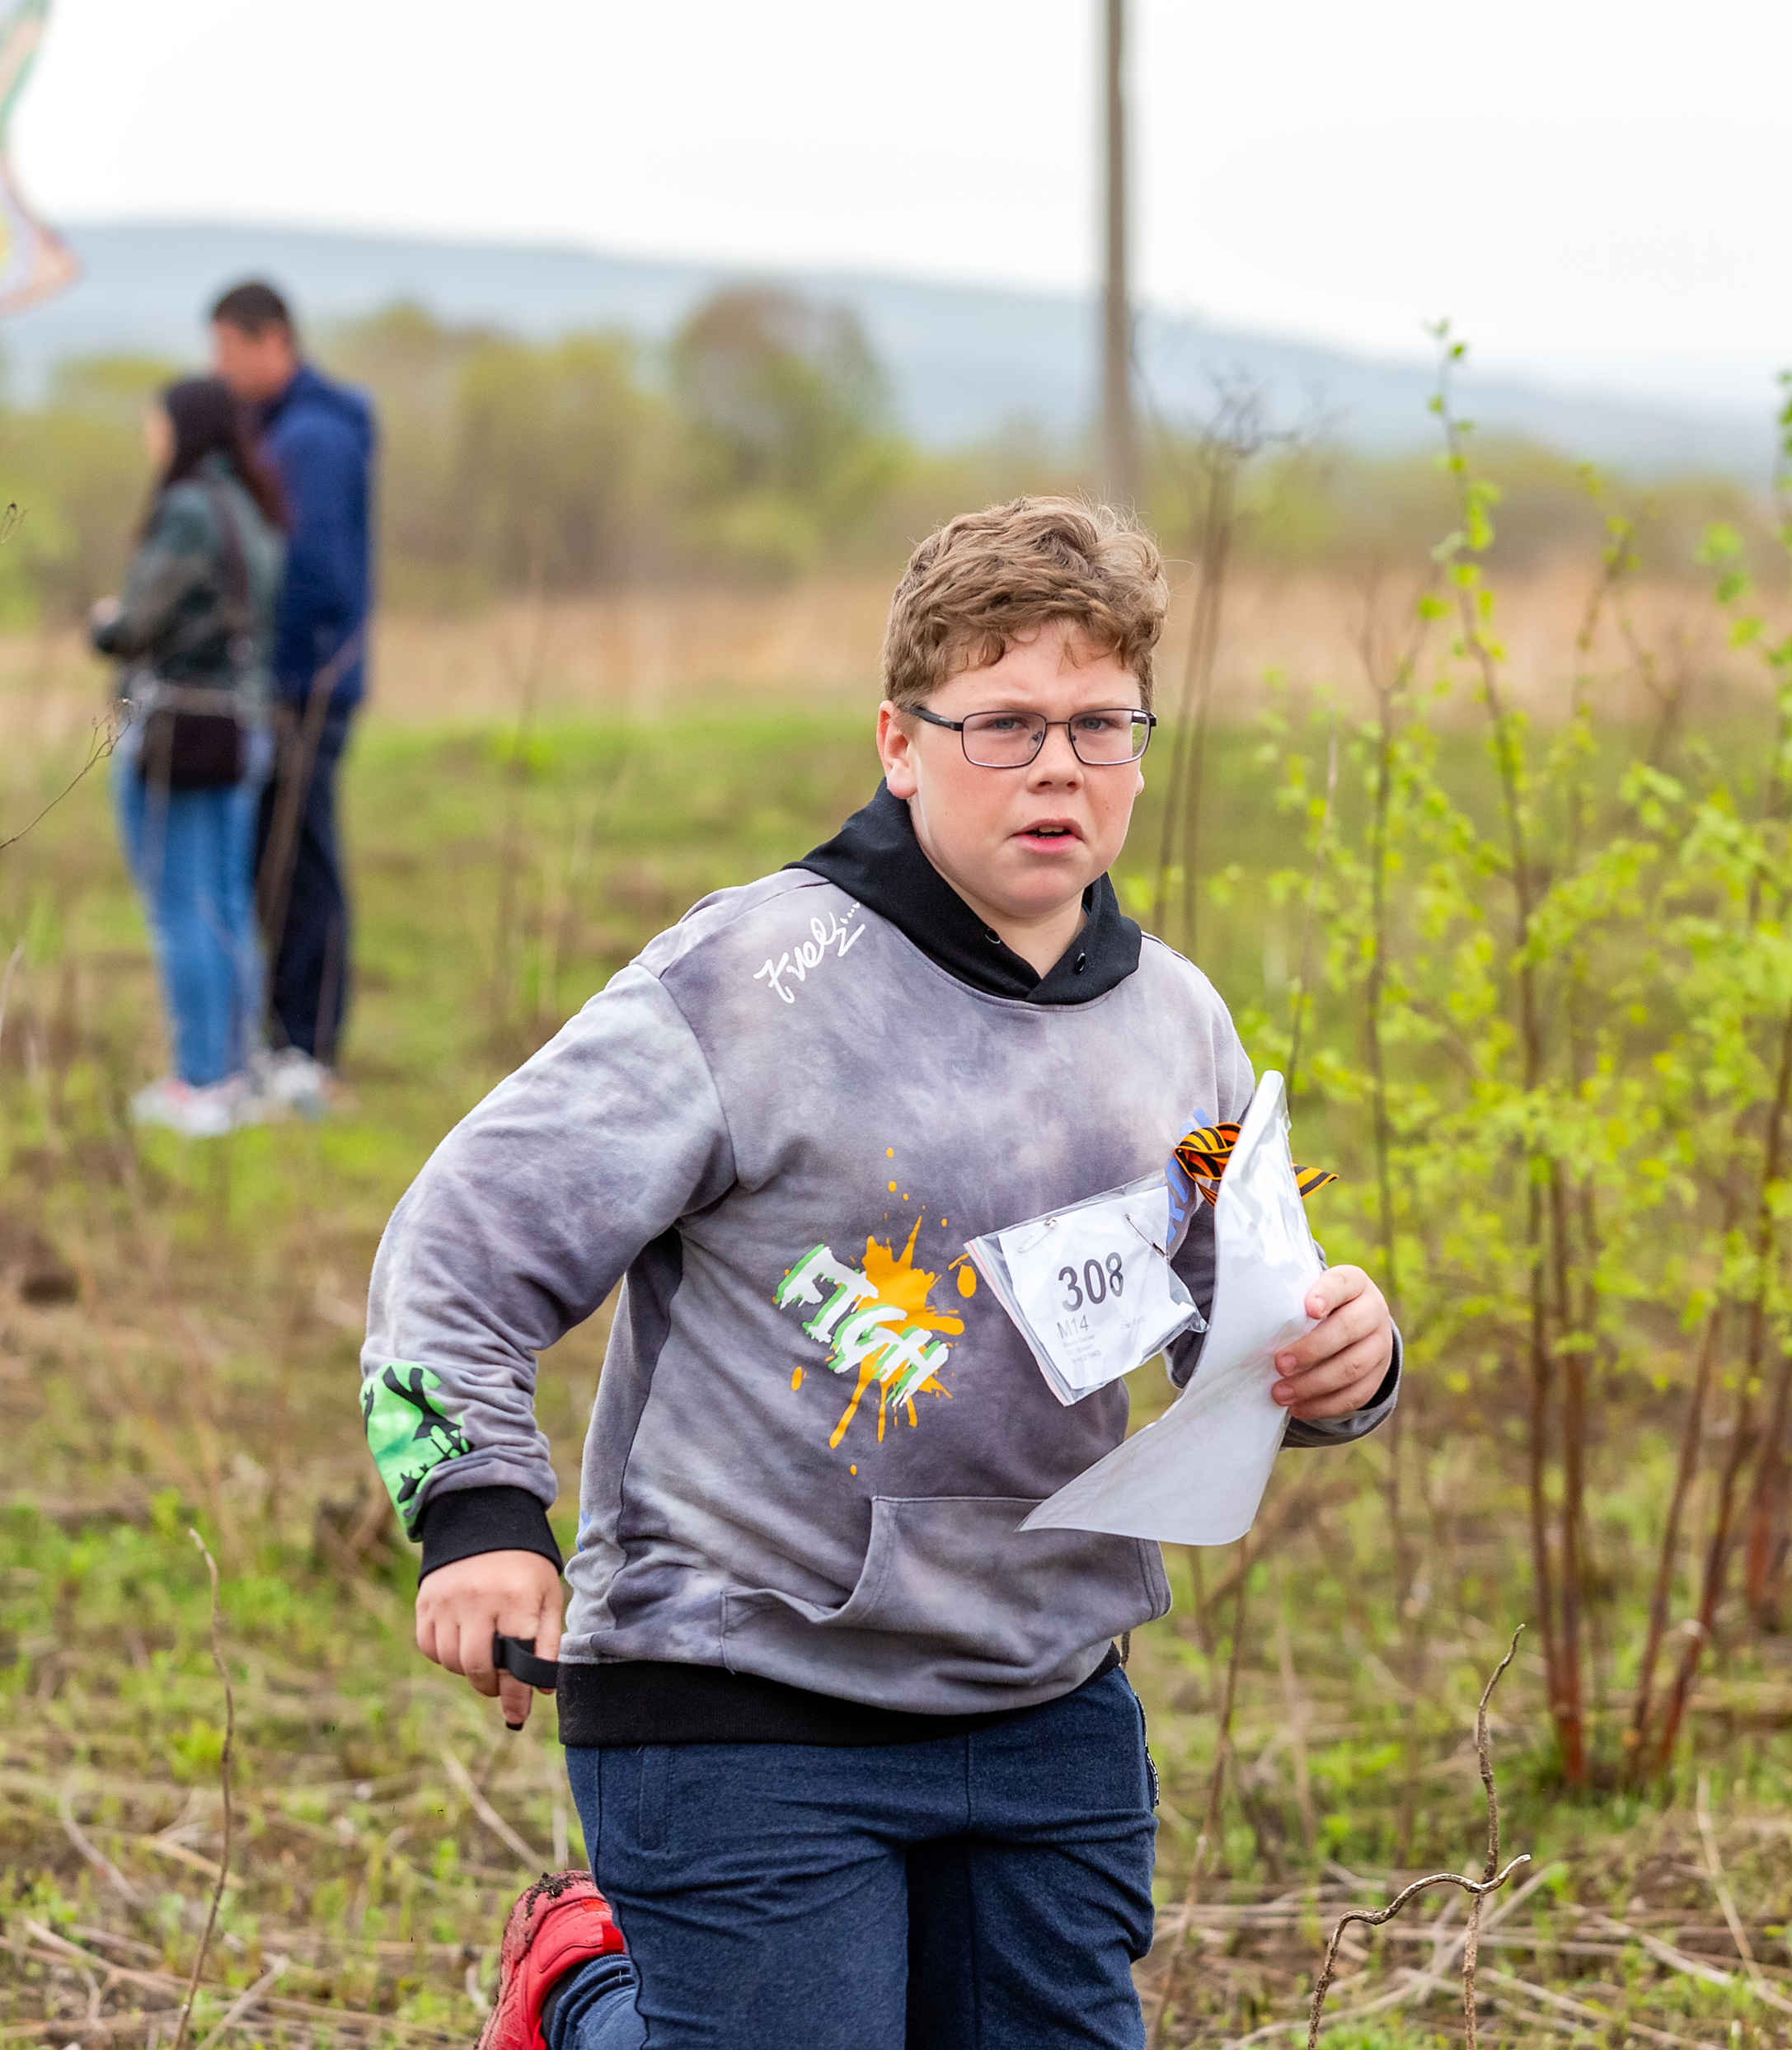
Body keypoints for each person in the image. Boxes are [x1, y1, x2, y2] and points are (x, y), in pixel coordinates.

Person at [360, 499, 1402, 2050]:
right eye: (1002, 725)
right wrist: (479, 1520)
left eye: (1100, 725)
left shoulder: (1180, 1023)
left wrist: (1342, 1363)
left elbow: (1236, 1315)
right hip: (740, 1685)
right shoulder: (747, 986)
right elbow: (459, 1247)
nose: (1058, 767)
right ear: (899, 743)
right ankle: (581, 1997)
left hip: (1048, 1693)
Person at [91, 377, 285, 1138]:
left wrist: (103, 623)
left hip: (184, 728)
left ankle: (201, 1083)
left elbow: (136, 624)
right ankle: (237, 1075)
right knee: (226, 903)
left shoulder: (188, 509)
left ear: (183, 429)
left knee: (182, 907)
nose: (149, 435)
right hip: (245, 725)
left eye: (155, 423)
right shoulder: (252, 504)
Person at [209, 279, 374, 1113]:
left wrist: (282, 681)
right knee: (271, 863)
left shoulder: (312, 438)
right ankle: (284, 1039)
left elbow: (314, 577)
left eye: (230, 351)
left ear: (274, 340)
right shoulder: (276, 430)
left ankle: (311, 1047)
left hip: (303, 690)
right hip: (283, 686)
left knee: (302, 865)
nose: (222, 368)